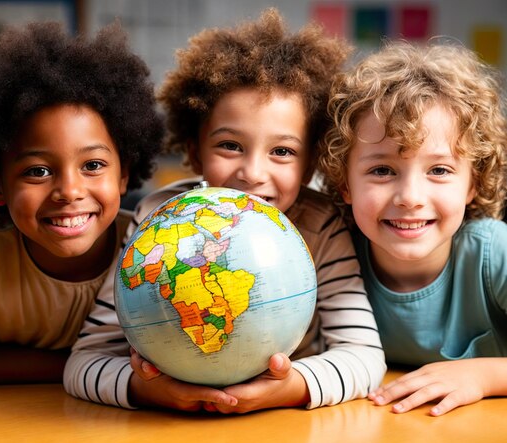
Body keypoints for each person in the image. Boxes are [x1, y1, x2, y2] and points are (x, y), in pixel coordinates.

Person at [64, 8, 386, 413]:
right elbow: (84, 361)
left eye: (282, 152)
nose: (252, 173)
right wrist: (143, 390)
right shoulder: (158, 221)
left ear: (309, 166)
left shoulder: (322, 226)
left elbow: (365, 357)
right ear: (195, 152)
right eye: (230, 145)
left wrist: (291, 388)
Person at [0, 21, 164, 384]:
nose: (69, 190)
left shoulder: (149, 250)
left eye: (92, 165)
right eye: (37, 171)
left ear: (123, 174)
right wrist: (74, 367)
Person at [319, 39, 507, 416]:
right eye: (382, 170)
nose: (410, 197)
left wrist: (482, 376)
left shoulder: (492, 252)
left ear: (473, 182)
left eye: (438, 170)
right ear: (345, 182)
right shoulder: (336, 253)